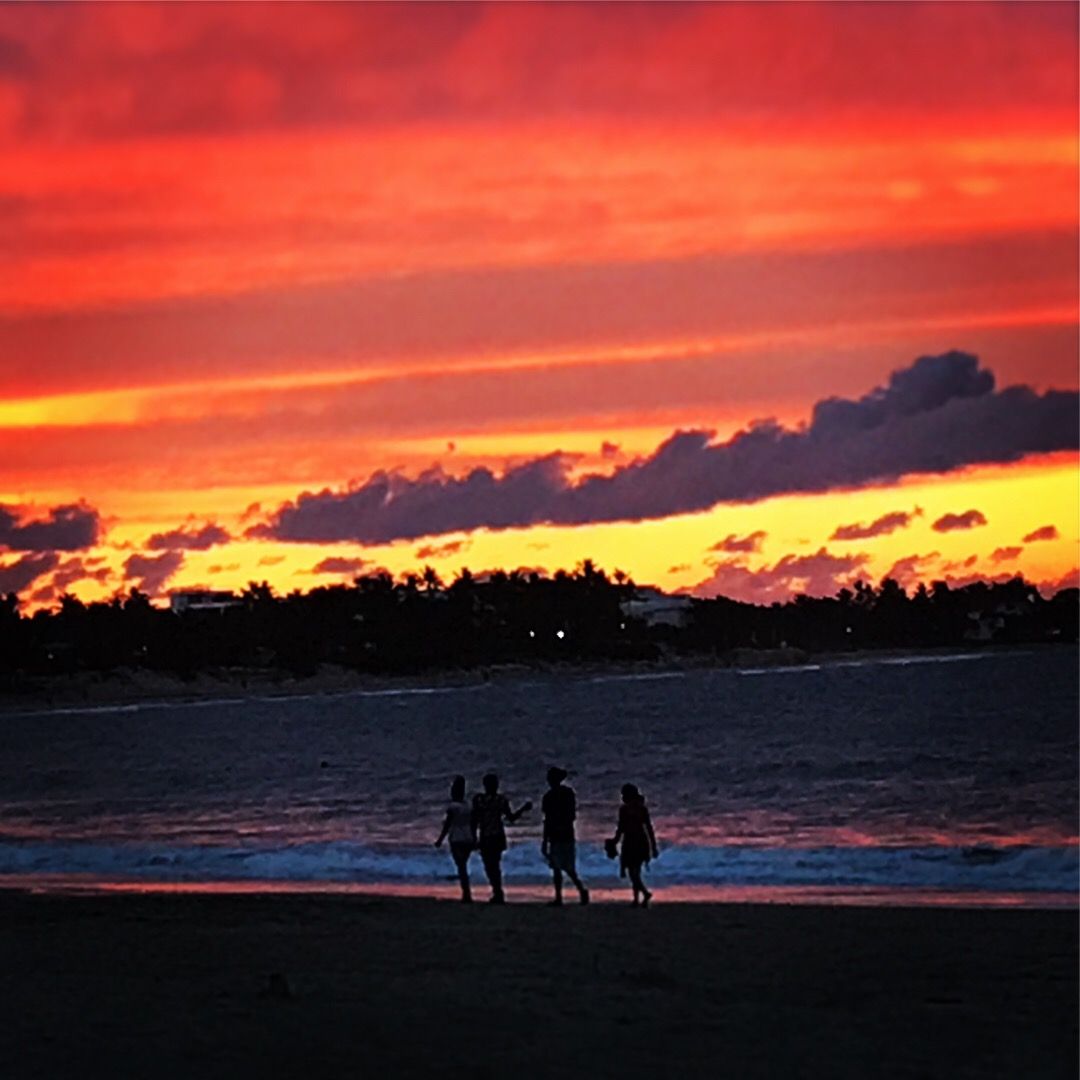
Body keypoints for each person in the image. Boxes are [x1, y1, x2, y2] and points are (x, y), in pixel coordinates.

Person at [471, 773, 531, 904]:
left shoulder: (483, 800)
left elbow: (475, 821)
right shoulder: (495, 800)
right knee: (492, 865)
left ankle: (497, 892)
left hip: (489, 836)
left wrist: (473, 837)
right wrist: (523, 809)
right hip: (493, 836)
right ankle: (497, 891)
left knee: (490, 866)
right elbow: (511, 818)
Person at [540, 766, 589, 906]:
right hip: (563, 834)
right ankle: (563, 895)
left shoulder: (552, 796)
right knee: (560, 867)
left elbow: (550, 819)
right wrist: (545, 839)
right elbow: (550, 819)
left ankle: (571, 893)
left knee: (564, 867)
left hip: (561, 834)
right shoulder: (561, 794)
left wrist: (545, 839)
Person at [611, 783, 659, 906]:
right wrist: (653, 846)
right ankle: (637, 898)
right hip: (638, 841)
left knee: (633, 873)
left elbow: (621, 828)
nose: (622, 797)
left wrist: (615, 841)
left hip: (633, 842)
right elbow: (648, 828)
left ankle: (643, 894)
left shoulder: (627, 809)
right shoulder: (640, 808)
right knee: (635, 872)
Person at [434, 775, 475, 903]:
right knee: (463, 865)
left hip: (456, 838)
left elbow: (447, 825)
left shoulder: (453, 807)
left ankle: (466, 893)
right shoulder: (468, 806)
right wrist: (474, 837)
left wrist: (440, 839)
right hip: (468, 837)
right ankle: (466, 892)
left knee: (461, 866)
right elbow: (474, 823)